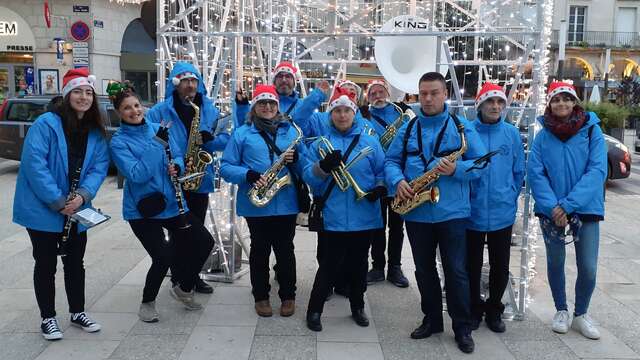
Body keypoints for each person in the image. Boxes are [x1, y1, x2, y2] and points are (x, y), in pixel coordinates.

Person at [385, 72, 487, 354]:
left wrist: (458, 169)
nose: (428, 99)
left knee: (456, 271)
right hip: (417, 213)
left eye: (434, 93)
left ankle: (462, 327)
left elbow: (481, 165)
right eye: (423, 94)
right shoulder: (408, 127)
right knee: (423, 270)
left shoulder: (462, 127)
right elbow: (391, 161)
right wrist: (398, 181)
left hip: (453, 213)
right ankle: (431, 319)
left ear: (445, 95)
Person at [13, 68, 110, 340]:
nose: (83, 97)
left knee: (75, 262)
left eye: (88, 92)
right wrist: (58, 201)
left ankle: (77, 312)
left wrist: (83, 196)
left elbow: (99, 166)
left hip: (76, 207)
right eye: (77, 91)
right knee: (45, 263)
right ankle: (48, 318)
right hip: (43, 207)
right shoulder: (46, 123)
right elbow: (35, 165)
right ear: (67, 95)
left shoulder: (94, 130)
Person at [108, 82, 214, 319]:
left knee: (205, 242)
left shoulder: (158, 127)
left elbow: (176, 154)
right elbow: (137, 174)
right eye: (127, 108)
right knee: (163, 256)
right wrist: (156, 145)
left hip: (172, 203)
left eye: (136, 105)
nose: (134, 111)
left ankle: (184, 287)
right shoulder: (118, 142)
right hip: (143, 209)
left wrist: (176, 166)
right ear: (119, 113)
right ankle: (147, 302)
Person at [527, 81, 607, 340]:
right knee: (555, 261)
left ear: (575, 102)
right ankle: (561, 309)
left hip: (585, 208)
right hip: (552, 211)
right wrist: (553, 207)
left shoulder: (592, 131)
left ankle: (581, 314)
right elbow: (536, 174)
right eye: (556, 99)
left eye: (566, 98)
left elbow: (597, 171)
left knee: (588, 267)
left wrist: (568, 204)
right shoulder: (542, 136)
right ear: (550, 104)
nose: (561, 103)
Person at [221, 85, 308, 317]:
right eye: (262, 103)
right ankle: (261, 296)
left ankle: (289, 296)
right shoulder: (242, 133)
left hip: (286, 203)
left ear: (277, 106)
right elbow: (226, 167)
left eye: (272, 103)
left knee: (285, 251)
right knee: (259, 252)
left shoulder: (291, 132)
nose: (267, 107)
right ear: (254, 107)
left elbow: (305, 166)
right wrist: (247, 174)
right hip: (256, 205)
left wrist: (298, 159)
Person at [304, 88, 386, 332]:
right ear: (331, 115)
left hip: (365, 214)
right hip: (333, 216)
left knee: (359, 264)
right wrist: (323, 167)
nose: (342, 115)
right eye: (337, 111)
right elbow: (309, 176)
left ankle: (357, 306)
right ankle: (314, 309)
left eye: (346, 110)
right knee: (329, 265)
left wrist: (380, 188)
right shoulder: (320, 144)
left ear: (354, 113)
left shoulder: (370, 142)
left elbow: (382, 170)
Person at [146, 62, 227, 294]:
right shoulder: (159, 111)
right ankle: (178, 276)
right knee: (178, 232)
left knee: (197, 230)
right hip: (172, 179)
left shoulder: (209, 109)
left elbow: (226, 138)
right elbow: (151, 142)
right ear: (176, 84)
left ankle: (192, 275)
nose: (190, 85)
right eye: (185, 81)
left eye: (194, 81)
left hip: (199, 178)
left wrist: (209, 138)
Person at [467, 83, 525, 333]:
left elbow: (518, 169)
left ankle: (494, 309)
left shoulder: (511, 133)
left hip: (502, 210)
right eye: (490, 102)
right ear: (480, 104)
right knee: (470, 264)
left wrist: (510, 194)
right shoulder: (467, 131)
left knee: (500, 264)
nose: (495, 106)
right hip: (472, 210)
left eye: (500, 102)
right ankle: (473, 308)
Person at [363, 79, 411, 288]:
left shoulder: (400, 114)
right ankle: (377, 266)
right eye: (373, 93)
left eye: (381, 91)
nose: (377, 96)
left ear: (388, 93)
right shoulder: (364, 116)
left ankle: (395, 267)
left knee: (397, 226)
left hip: (398, 178)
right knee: (377, 225)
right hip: (375, 179)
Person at [234, 62, 328, 128]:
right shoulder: (264, 104)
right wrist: (242, 106)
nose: (284, 80)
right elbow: (246, 125)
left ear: (294, 81)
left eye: (288, 76)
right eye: (280, 76)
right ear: (274, 81)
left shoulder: (303, 106)